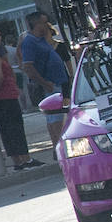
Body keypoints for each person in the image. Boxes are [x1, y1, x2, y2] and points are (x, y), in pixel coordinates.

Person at [0, 23, 43, 171]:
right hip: (5, 97)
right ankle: (25, 159)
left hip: (0, 99)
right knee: (15, 128)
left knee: (6, 130)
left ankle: (17, 160)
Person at [20, 11, 69, 153]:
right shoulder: (29, 42)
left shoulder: (41, 40)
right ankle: (61, 150)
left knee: (58, 119)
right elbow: (28, 66)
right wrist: (45, 84)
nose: (46, 26)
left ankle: (59, 149)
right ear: (36, 24)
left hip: (58, 83)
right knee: (56, 121)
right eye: (43, 23)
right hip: (50, 86)